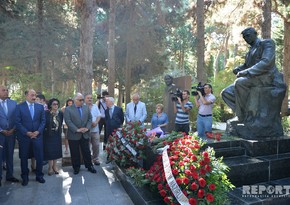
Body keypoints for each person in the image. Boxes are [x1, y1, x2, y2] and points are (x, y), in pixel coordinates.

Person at [221, 27, 284, 122]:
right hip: (253, 78)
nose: (246, 38)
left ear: (255, 34)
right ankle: (244, 113)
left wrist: (246, 72)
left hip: (266, 77)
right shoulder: (250, 51)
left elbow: (266, 62)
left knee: (240, 82)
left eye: (248, 35)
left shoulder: (267, 43)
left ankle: (241, 116)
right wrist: (238, 69)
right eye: (244, 37)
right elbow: (247, 65)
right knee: (226, 93)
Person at [15, 89, 46, 186]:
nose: (34, 97)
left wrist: (38, 131)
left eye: (35, 95)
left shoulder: (40, 107)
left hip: (37, 136)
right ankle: (25, 177)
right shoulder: (19, 107)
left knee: (39, 157)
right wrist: (26, 132)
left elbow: (43, 121)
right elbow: (18, 122)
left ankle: (39, 176)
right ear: (26, 96)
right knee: (24, 157)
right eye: (32, 95)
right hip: (24, 137)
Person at [64, 93, 96, 175]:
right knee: (74, 152)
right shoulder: (68, 109)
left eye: (82, 100)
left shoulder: (86, 107)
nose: (82, 101)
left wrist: (87, 128)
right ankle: (76, 167)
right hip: (74, 134)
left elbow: (90, 118)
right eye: (80, 100)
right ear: (75, 100)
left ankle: (89, 166)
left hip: (85, 133)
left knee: (86, 151)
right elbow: (68, 121)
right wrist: (77, 129)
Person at [0, 85, 19, 186]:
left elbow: (17, 117)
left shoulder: (13, 103)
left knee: (10, 156)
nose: (6, 92)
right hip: (0, 135)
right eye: (3, 90)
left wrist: (13, 128)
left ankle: (10, 175)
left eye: (7, 90)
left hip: (11, 133)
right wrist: (1, 130)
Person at [43, 98, 63, 176]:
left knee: (56, 151)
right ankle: (50, 167)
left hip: (57, 135)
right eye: (54, 104)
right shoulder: (46, 113)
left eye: (57, 104)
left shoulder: (60, 113)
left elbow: (61, 123)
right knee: (50, 151)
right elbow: (44, 123)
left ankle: (55, 166)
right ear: (50, 105)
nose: (56, 105)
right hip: (48, 134)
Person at [105, 97, 124, 164]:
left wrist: (118, 125)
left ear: (111, 102)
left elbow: (122, 119)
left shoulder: (118, 109)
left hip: (116, 129)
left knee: (117, 143)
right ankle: (108, 157)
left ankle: (117, 157)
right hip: (108, 130)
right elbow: (106, 119)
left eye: (107, 101)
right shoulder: (106, 110)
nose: (106, 103)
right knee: (109, 143)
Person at [85, 94, 101, 165]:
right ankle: (88, 160)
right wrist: (89, 123)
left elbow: (99, 116)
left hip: (95, 130)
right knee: (87, 146)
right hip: (86, 130)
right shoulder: (83, 107)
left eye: (91, 98)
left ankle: (95, 159)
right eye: (88, 98)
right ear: (85, 99)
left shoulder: (95, 106)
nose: (90, 99)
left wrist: (96, 122)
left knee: (96, 145)